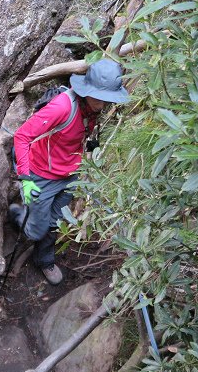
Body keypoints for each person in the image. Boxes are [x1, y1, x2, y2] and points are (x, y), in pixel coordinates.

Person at [11, 58, 130, 285]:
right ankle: (17, 215)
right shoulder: (62, 106)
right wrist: (25, 178)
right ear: (88, 90)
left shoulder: (92, 107)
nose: (104, 103)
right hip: (41, 175)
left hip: (69, 174)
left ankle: (44, 260)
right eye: (101, 97)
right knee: (36, 231)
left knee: (56, 222)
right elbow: (22, 136)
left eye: (108, 98)